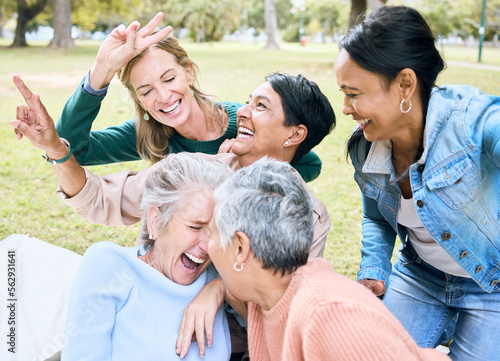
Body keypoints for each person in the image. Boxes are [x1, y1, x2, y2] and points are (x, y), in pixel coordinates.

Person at [11, 71, 335, 358]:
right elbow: (99, 197)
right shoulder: (200, 171)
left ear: (294, 135)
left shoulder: (309, 218)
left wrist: (220, 289)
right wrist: (56, 148)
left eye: (260, 106)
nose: (244, 112)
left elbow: (280, 315)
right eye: (249, 101)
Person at [334, 5, 500, 360]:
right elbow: (377, 218)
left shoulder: (470, 119)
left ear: (405, 84)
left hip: (492, 286)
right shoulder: (367, 148)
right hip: (421, 273)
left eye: (353, 93)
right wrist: (373, 270)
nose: (346, 108)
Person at [207, 157, 450, 361]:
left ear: (240, 248)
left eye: (211, 233)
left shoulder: (326, 314)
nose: (207, 247)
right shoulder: (268, 296)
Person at [49, 12, 322, 182]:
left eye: (169, 78)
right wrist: (100, 72)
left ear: (189, 73)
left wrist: (242, 169)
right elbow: (71, 146)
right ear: (139, 100)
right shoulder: (148, 135)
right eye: (146, 91)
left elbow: (310, 163)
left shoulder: (243, 124)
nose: (164, 96)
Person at [60, 153, 233, 360]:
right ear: (155, 221)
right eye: (195, 227)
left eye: (216, 231)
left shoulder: (222, 275)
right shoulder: (110, 265)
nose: (207, 246)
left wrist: (221, 288)